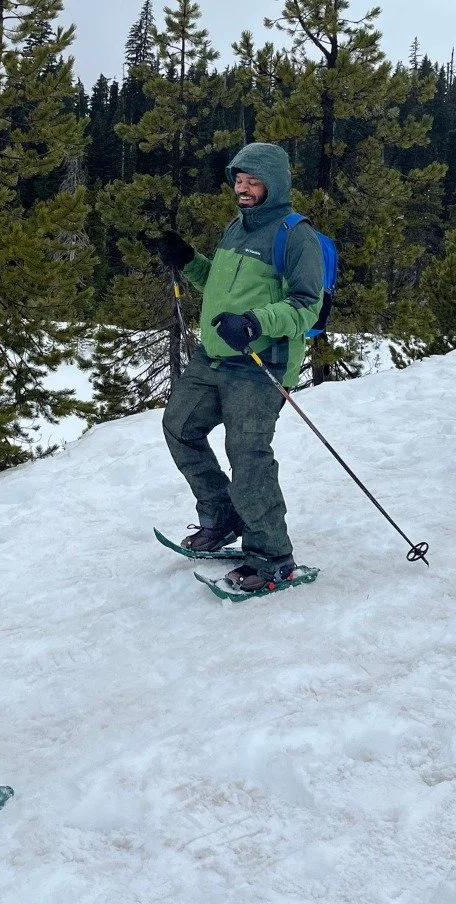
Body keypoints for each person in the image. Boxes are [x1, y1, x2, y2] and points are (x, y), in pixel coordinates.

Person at [157, 142, 323, 591]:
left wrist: (255, 323)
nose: (242, 189)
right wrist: (189, 261)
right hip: (214, 356)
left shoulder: (296, 236)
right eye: (239, 181)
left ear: (275, 184)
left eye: (253, 182)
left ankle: (272, 556)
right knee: (179, 427)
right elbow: (219, 283)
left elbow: (306, 305)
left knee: (248, 455)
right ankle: (222, 514)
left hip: (259, 363)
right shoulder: (236, 227)